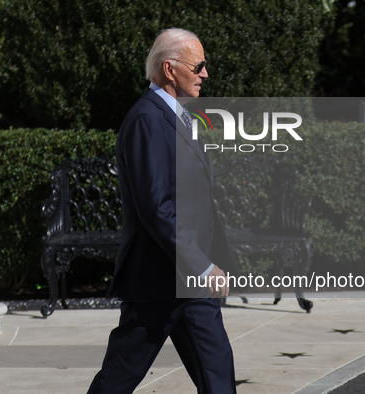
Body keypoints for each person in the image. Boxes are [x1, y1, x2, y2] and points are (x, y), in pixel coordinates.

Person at [87, 28, 239, 394]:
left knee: (218, 374)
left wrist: (209, 263)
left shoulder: (178, 117)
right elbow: (157, 207)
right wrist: (203, 267)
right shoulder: (147, 120)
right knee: (119, 378)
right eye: (198, 65)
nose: (205, 73)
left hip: (188, 279)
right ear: (170, 69)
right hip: (158, 280)